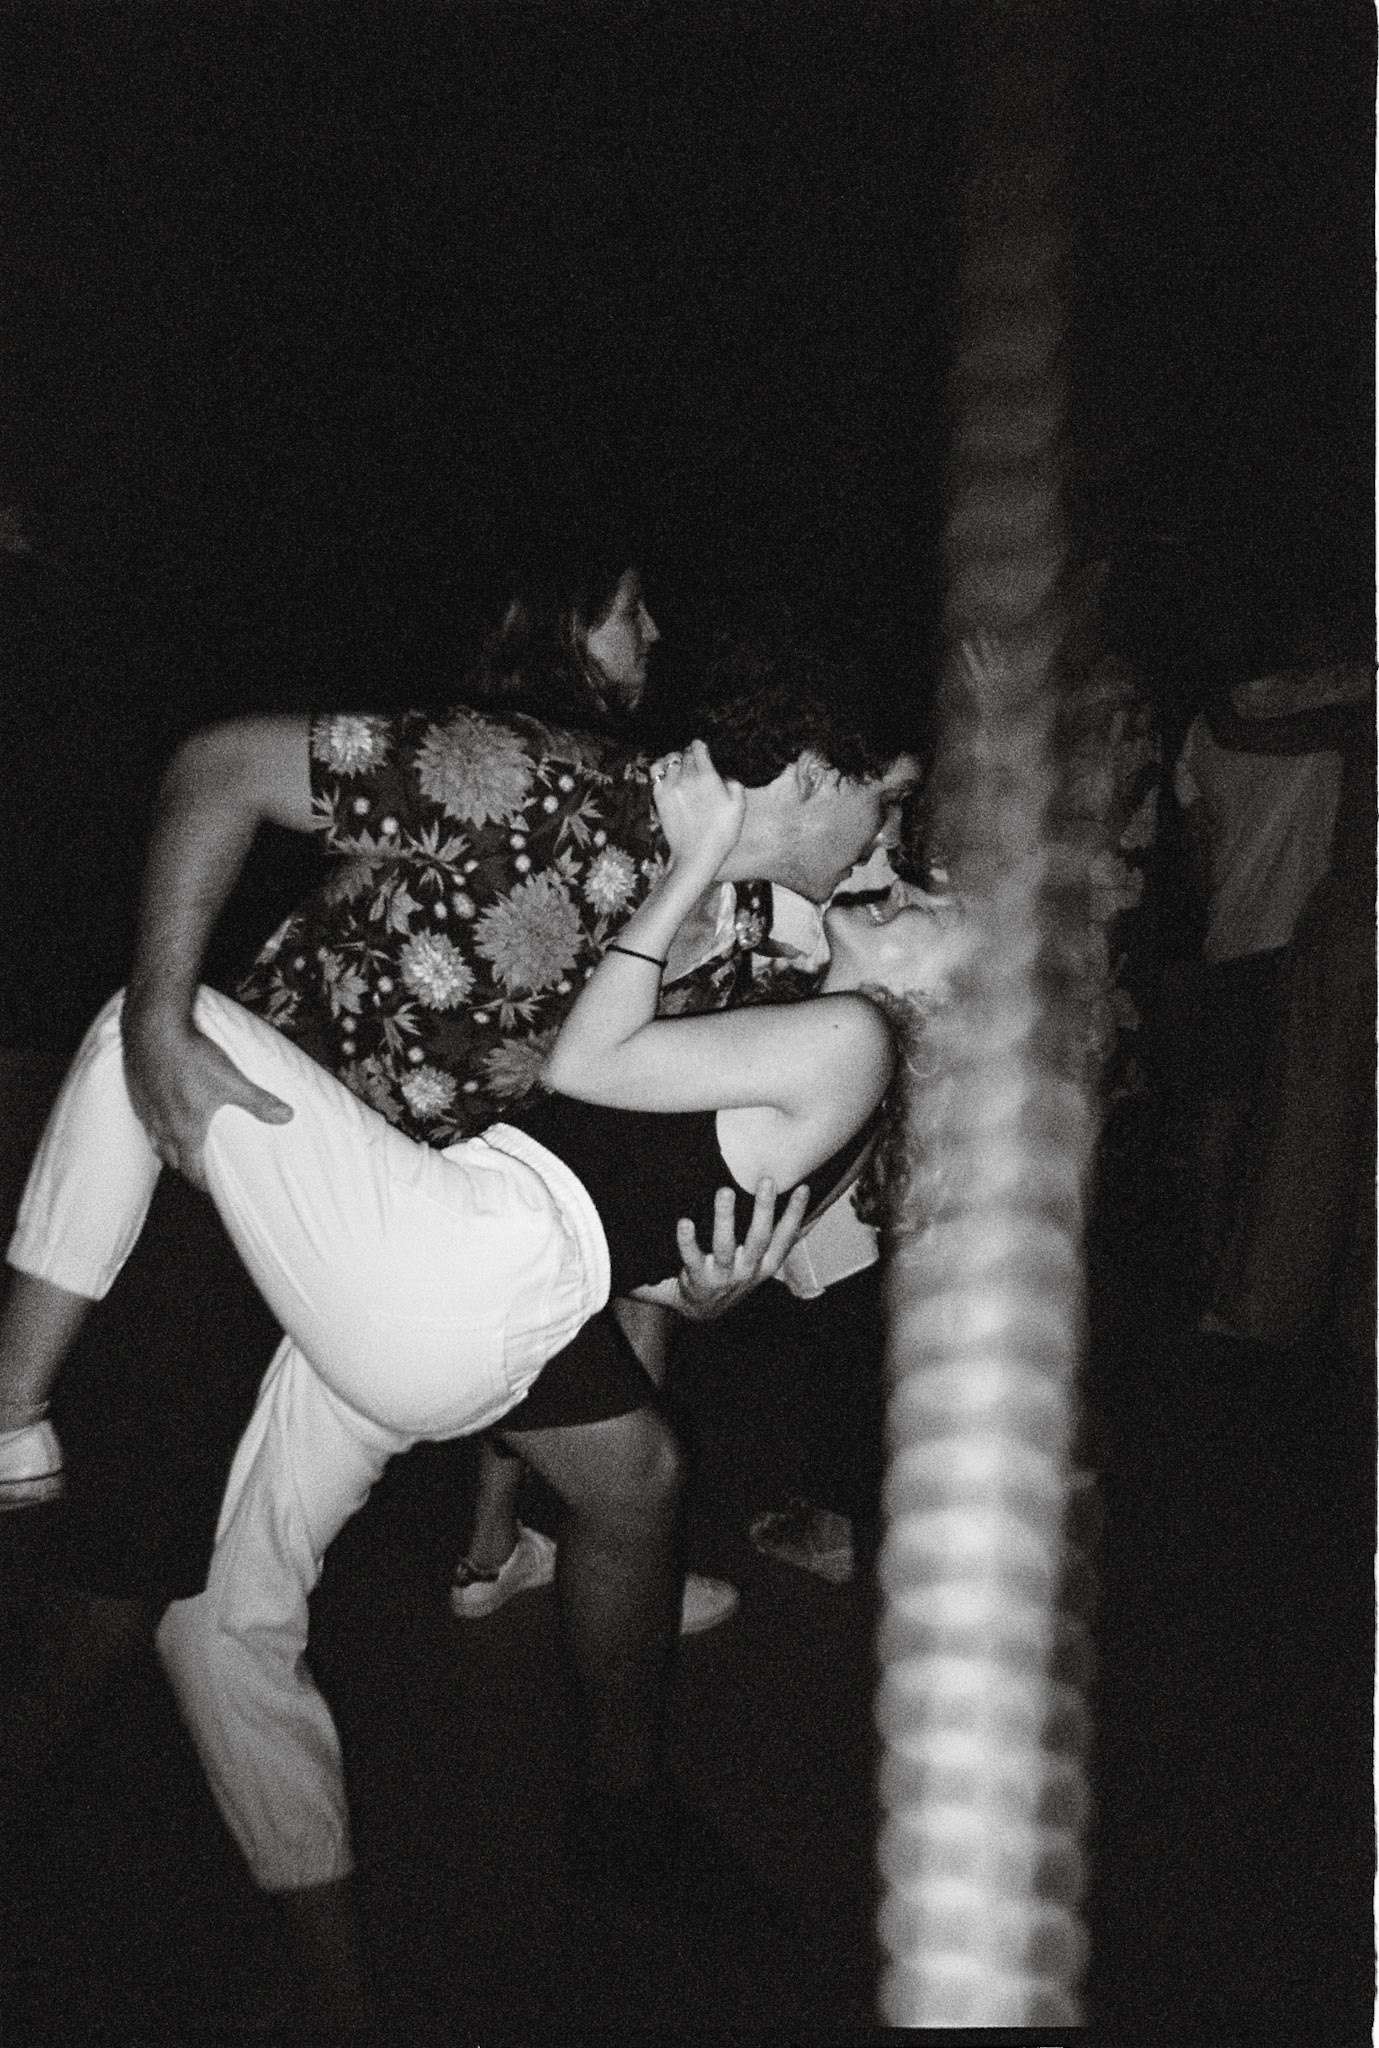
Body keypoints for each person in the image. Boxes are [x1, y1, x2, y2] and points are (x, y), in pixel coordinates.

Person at [7, 743, 958, 2026]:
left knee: (154, 1020)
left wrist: (683, 868)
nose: (908, 877)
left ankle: (11, 1408)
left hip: (455, 1272)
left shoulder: (850, 1035)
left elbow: (585, 1066)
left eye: (939, 910)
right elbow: (692, 1225)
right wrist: (704, 1290)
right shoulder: (788, 1006)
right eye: (896, 838)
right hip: (470, 1309)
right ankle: (341, 1993)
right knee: (222, 1623)